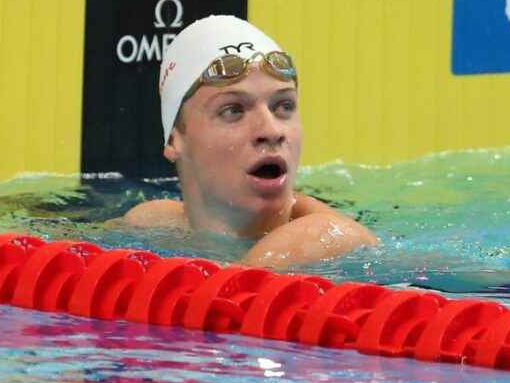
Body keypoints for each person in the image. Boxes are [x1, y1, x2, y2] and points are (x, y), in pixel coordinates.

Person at [106, 15, 378, 268]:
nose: (271, 130)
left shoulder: (325, 237)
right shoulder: (154, 222)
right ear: (175, 139)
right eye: (233, 110)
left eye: (283, 105)